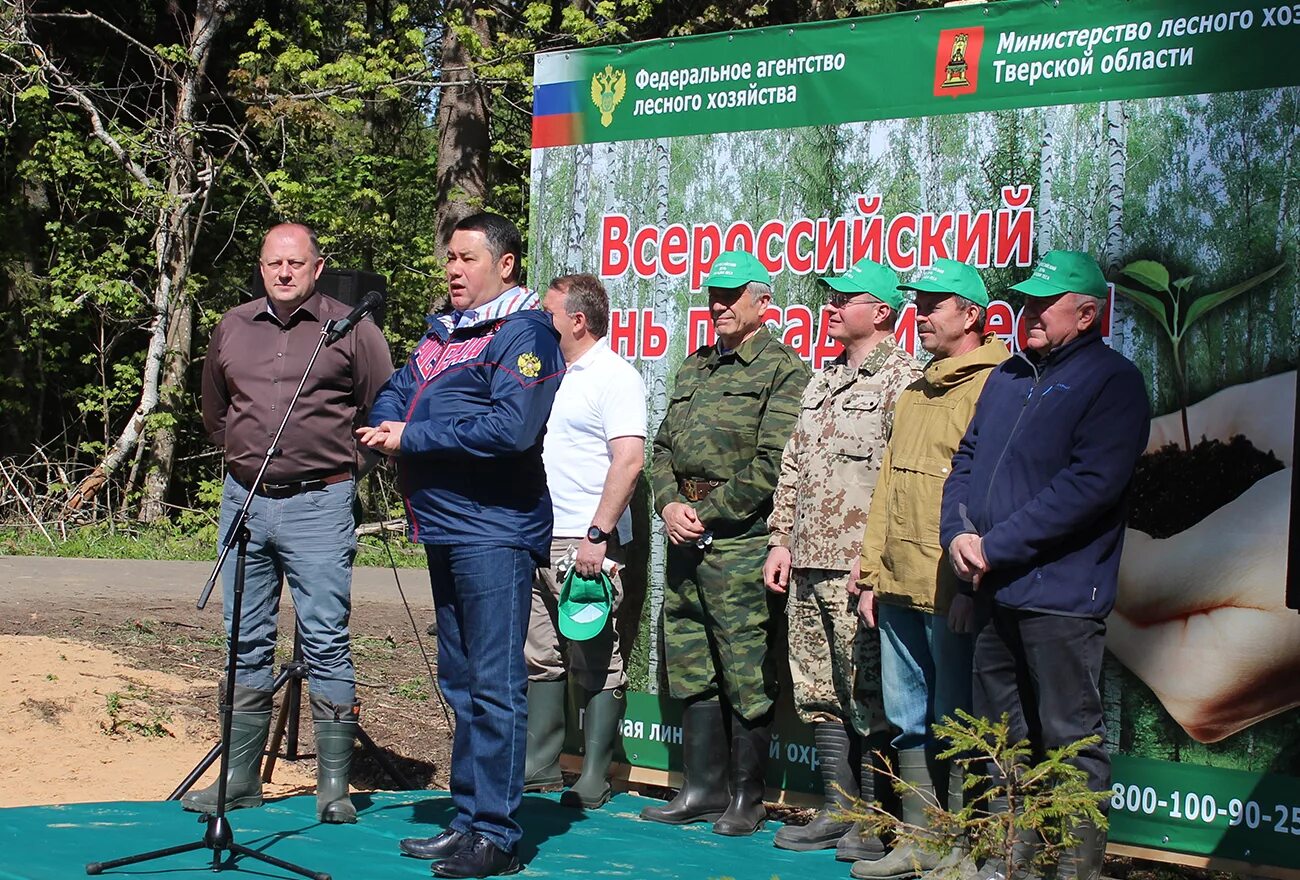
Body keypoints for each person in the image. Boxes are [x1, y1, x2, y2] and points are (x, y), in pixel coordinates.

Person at [359, 212, 563, 878]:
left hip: (494, 528)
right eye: (449, 256)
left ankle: (497, 835)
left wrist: (410, 439)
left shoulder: (526, 332)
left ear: (505, 265)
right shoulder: (443, 332)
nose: (453, 269)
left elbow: (511, 427)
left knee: (498, 685)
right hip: (445, 523)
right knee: (462, 680)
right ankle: (468, 817)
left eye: (467, 258)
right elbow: (402, 387)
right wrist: (387, 419)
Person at [940, 250, 1151, 880]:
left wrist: (994, 545)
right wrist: (958, 534)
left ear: (1087, 315)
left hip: (1058, 594)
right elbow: (965, 462)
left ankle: (1075, 869)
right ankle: (1014, 861)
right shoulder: (1008, 375)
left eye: (1043, 305)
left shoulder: (1112, 382)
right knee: (999, 733)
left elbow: (1090, 485)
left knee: (1068, 739)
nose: (1027, 313)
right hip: (991, 588)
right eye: (1026, 301)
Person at [194, 222, 394, 824]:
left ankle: (333, 786)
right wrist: (244, 456)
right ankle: (239, 777)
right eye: (273, 264)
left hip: (319, 504)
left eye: (296, 263)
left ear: (316, 266)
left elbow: (384, 407)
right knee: (243, 638)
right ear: (261, 268)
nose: (284, 273)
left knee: (326, 638)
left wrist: (346, 469)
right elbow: (214, 410)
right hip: (246, 501)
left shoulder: (353, 328)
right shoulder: (233, 325)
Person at [641, 249, 810, 836]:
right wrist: (668, 503)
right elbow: (660, 449)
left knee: (743, 665)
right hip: (684, 531)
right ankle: (702, 788)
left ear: (762, 301)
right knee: (690, 659)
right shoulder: (694, 366)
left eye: (731, 294)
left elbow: (775, 464)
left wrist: (708, 514)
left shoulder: (782, 369)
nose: (718, 303)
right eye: (713, 293)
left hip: (740, 539)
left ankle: (747, 798)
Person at [851, 259, 1009, 880]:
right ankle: (918, 839)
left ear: (971, 315)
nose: (920, 313)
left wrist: (976, 582)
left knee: (956, 716)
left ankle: (964, 844)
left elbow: (989, 491)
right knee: (905, 713)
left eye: (935, 304)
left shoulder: (997, 382)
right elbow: (888, 485)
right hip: (898, 583)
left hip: (952, 585)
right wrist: (870, 572)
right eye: (919, 303)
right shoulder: (915, 389)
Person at [763, 257, 921, 860]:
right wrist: (781, 540)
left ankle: (877, 818)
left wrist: (878, 564)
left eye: (844, 298)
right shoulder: (822, 380)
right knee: (817, 689)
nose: (830, 307)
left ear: (880, 311)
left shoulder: (904, 379)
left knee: (870, 694)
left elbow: (901, 483)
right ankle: (838, 807)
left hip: (859, 568)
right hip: (808, 559)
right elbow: (795, 465)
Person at [523, 273, 647, 809]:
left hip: (585, 540)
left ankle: (596, 773)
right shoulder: (547, 373)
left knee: (595, 654)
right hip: (534, 534)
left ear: (577, 319)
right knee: (539, 655)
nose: (537, 321)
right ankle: (541, 765)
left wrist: (597, 535)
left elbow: (630, 459)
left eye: (547, 312)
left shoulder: (615, 376)